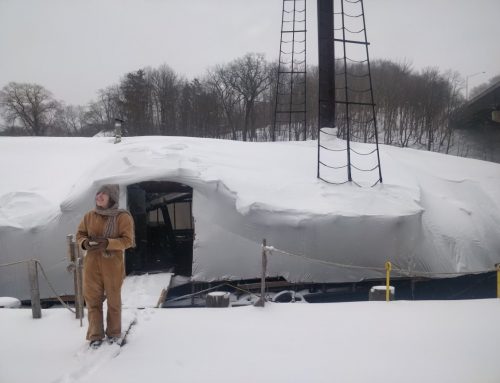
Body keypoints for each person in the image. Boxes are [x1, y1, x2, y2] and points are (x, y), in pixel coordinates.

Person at [76, 184, 135, 349]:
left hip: (112, 264)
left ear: (112, 197)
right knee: (93, 300)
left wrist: (108, 243)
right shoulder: (89, 216)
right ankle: (95, 335)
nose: (99, 196)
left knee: (113, 300)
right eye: (98, 193)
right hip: (92, 263)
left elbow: (127, 241)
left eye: (104, 194)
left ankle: (114, 333)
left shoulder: (122, 217)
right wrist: (85, 243)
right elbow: (80, 234)